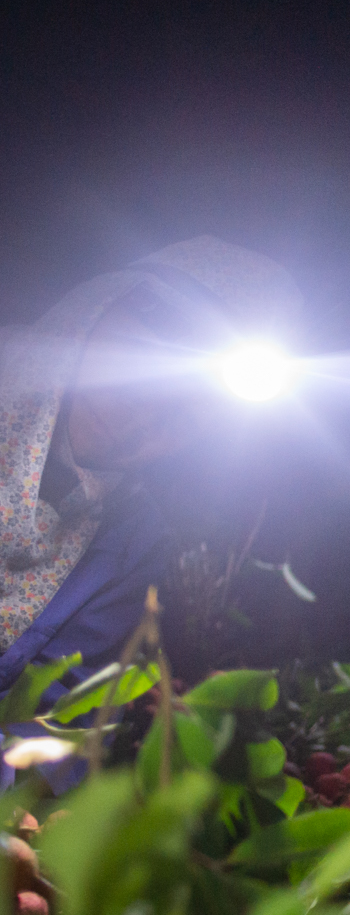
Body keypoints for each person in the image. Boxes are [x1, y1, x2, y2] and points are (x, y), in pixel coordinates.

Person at [0, 236, 300, 788]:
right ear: (91, 316)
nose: (149, 416)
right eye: (146, 370)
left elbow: (63, 718)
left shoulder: (131, 540)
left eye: (191, 405)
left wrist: (29, 803)